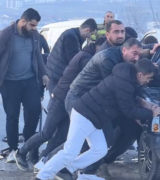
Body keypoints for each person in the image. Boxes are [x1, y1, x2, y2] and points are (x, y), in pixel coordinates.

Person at [30, 60, 160, 180]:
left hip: (94, 117)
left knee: (100, 150)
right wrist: (151, 113)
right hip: (85, 115)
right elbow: (128, 110)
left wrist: (146, 105)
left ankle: (67, 170)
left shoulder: (127, 78)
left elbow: (130, 99)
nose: (148, 81)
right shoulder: (124, 84)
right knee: (70, 151)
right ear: (140, 74)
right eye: (148, 78)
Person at [14, 38, 106, 172]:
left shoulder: (89, 56)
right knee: (47, 133)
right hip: (60, 98)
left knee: (61, 137)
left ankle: (43, 162)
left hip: (73, 103)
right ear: (98, 48)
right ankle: (21, 152)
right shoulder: (86, 59)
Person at [0, 8, 49, 163]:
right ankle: (13, 149)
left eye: (36, 26)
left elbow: (37, 56)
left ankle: (28, 147)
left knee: (34, 111)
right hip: (9, 83)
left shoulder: (34, 35)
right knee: (12, 116)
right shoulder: (6, 35)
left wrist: (44, 74)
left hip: (29, 80)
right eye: (32, 25)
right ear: (22, 21)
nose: (34, 28)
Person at [46, 18, 97, 94]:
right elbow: (73, 60)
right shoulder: (71, 37)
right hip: (57, 75)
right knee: (56, 101)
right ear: (87, 30)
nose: (90, 37)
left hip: (56, 73)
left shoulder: (73, 34)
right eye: (91, 34)